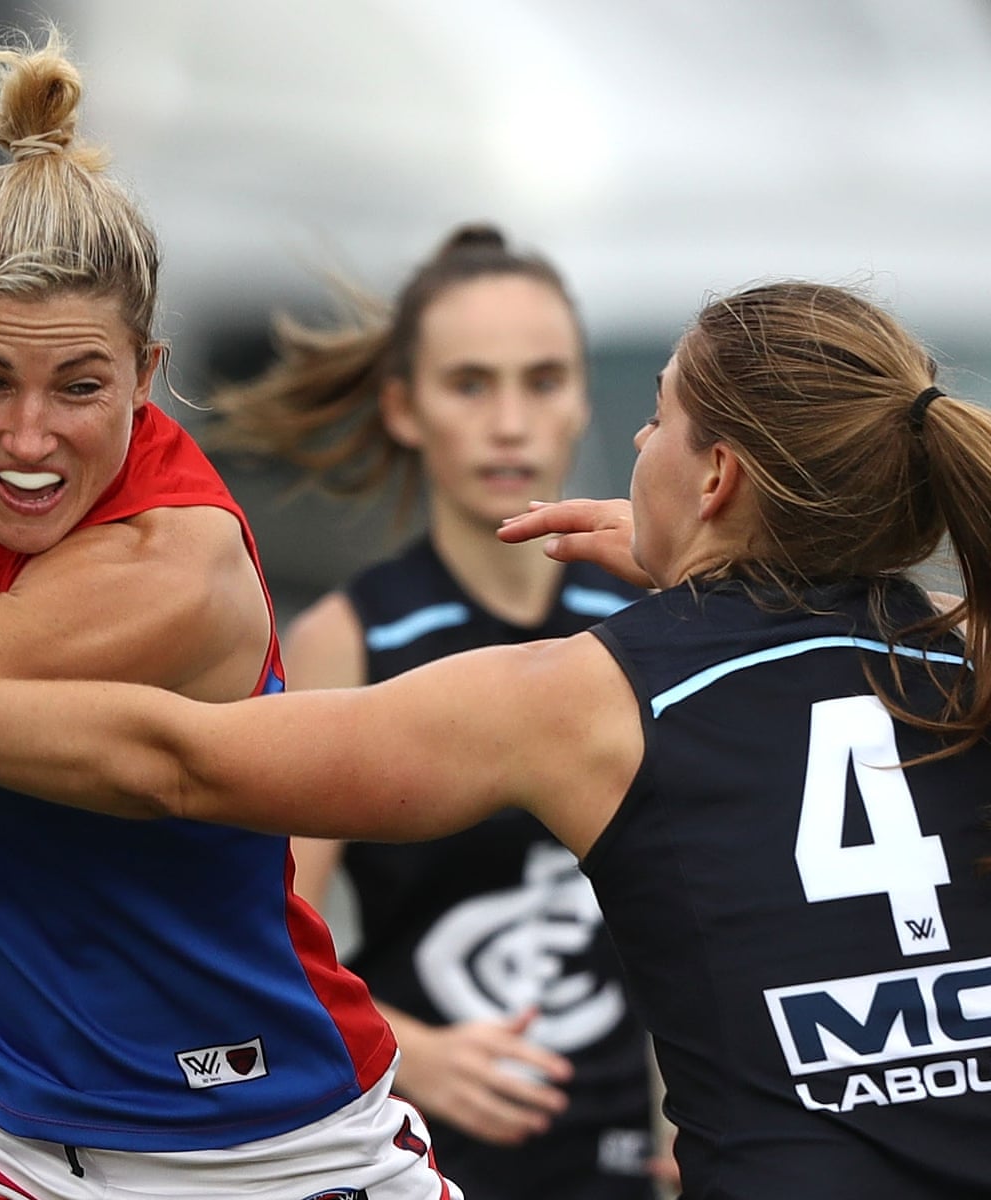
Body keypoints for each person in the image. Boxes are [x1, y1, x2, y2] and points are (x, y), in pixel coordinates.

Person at [0, 280, 989, 1199]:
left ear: (720, 475)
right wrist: (733, 561)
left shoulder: (590, 694)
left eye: (657, 417)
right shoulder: (964, 655)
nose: (632, 445)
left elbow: (180, 762)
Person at [0, 23, 459, 1200]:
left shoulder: (176, 569)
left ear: (148, 376)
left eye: (82, 387)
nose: (31, 438)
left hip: (263, 1139)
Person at [211, 223, 657, 1198]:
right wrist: (412, 1051)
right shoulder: (351, 636)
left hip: (622, 1166)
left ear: (584, 399)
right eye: (470, 384)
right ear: (405, 409)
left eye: (541, 381)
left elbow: (713, 895)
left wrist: (700, 1105)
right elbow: (263, 920)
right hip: (421, 1160)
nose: (509, 422)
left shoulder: (651, 622)